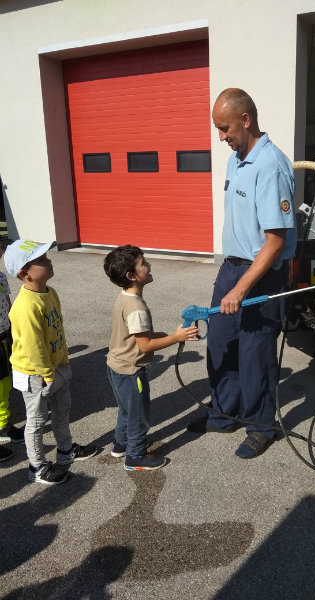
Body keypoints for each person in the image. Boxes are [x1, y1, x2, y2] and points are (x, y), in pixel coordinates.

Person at [187, 88, 296, 459]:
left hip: (262, 273)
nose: (221, 137)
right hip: (231, 267)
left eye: (225, 128)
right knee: (221, 342)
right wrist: (231, 284)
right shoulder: (237, 160)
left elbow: (275, 242)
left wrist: (241, 289)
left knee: (255, 353)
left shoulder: (271, 165)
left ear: (245, 120)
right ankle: (223, 414)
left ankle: (261, 427)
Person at [4, 239, 97, 484]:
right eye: (41, 260)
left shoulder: (50, 293)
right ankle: (37, 467)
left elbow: (58, 330)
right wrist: (47, 374)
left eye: (46, 257)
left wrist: (64, 361)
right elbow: (33, 347)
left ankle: (65, 449)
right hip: (34, 374)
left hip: (56, 368)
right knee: (36, 421)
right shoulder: (25, 306)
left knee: (62, 409)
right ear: (25, 274)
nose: (49, 261)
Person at [104, 244, 199, 471]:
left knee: (127, 410)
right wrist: (176, 338)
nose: (149, 265)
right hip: (131, 370)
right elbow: (145, 344)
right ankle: (135, 456)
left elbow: (136, 335)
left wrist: (166, 335)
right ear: (132, 275)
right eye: (143, 264)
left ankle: (121, 444)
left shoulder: (125, 297)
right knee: (138, 415)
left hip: (117, 366)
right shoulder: (136, 308)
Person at [0, 245, 25, 462]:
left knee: (6, 382)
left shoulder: (1, 277)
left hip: (4, 335)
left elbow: (8, 303)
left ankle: (3, 425)